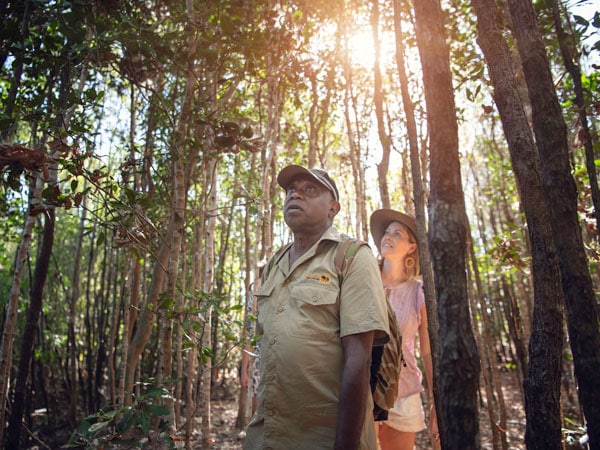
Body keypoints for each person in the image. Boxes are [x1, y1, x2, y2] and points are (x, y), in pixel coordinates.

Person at [243, 165, 391, 450]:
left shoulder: (351, 256)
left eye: (309, 190)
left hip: (324, 437)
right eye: (290, 190)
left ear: (333, 207)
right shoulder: (275, 261)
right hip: (267, 435)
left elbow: (359, 359)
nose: (295, 194)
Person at [369, 209, 438, 449]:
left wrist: (435, 400)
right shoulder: (364, 281)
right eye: (387, 232)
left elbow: (428, 351)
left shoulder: (418, 292)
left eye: (397, 234)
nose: (388, 236)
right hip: (362, 389)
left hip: (404, 393)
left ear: (411, 247)